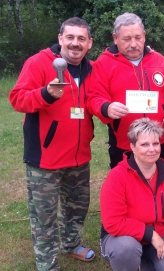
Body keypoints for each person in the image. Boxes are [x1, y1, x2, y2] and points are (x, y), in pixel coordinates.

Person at [8, 17, 95, 270]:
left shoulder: (92, 68)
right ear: (60, 39)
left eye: (81, 39)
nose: (75, 44)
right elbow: (17, 99)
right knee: (44, 217)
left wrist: (145, 50)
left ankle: (71, 244)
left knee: (77, 208)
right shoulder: (38, 63)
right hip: (45, 159)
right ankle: (47, 263)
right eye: (70, 37)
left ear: (89, 43)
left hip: (79, 157)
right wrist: (45, 94)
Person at [100, 117, 164, 271]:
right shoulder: (117, 176)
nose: (152, 149)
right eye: (144, 144)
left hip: (160, 232)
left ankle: (145, 263)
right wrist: (151, 234)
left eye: (155, 143)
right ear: (132, 147)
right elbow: (113, 223)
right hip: (123, 237)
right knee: (126, 250)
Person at [87, 12, 164, 169]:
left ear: (144, 36)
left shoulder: (159, 60)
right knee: (126, 189)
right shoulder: (103, 64)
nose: (133, 44)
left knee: (157, 186)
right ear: (115, 38)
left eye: (138, 38)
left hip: (157, 142)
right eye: (126, 39)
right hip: (123, 144)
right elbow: (94, 97)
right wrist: (107, 108)